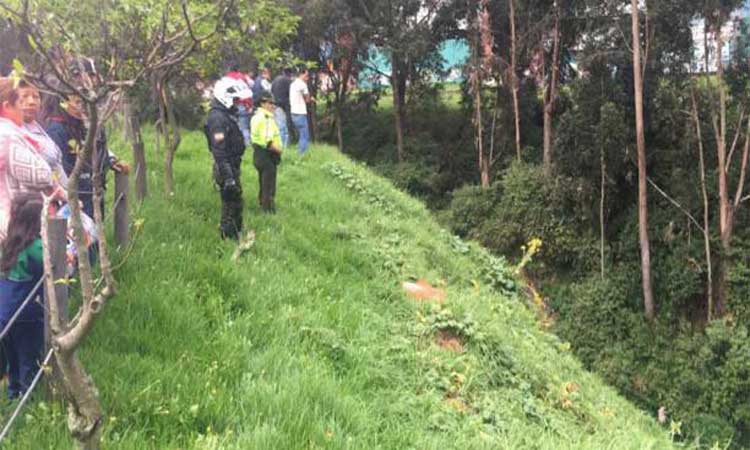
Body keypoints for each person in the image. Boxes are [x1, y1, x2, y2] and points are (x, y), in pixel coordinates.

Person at [0, 78, 61, 241]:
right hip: (15, 224)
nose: (25, 107)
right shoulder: (7, 137)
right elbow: (41, 175)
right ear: (7, 107)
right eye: (20, 102)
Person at [0, 193, 45, 399]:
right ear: (35, 220)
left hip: (4, 314)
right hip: (26, 314)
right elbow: (53, 271)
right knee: (29, 360)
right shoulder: (36, 247)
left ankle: (12, 396)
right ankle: (29, 404)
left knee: (13, 362)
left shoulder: (7, 244)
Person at [204, 76, 251, 239]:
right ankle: (228, 237)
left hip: (232, 164)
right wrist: (229, 177)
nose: (237, 103)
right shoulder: (217, 118)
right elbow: (219, 151)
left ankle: (235, 234)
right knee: (231, 204)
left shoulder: (224, 114)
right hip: (226, 166)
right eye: (235, 99)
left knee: (236, 202)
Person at [18, 82, 68, 188]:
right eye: (25, 96)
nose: (31, 102)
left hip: (61, 198)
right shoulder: (11, 134)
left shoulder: (39, 127)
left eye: (36, 97)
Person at [251, 92, 282, 213]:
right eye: (269, 103)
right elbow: (268, 142)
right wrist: (279, 150)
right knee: (269, 184)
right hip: (267, 154)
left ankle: (262, 202)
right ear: (262, 103)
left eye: (273, 103)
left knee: (263, 181)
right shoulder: (267, 118)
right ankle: (268, 210)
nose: (272, 105)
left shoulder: (255, 116)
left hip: (257, 153)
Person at [289, 67, 315, 156]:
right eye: (306, 76)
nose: (307, 78)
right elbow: (307, 99)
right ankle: (301, 155)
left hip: (293, 112)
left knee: (301, 134)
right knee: (305, 135)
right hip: (300, 113)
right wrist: (311, 98)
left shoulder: (293, 84)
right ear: (302, 74)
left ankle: (299, 152)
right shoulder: (303, 84)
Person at [225, 69, 254, 145]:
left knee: (231, 127)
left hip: (231, 105)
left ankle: (233, 144)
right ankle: (247, 145)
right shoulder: (242, 77)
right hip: (243, 105)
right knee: (244, 127)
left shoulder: (227, 78)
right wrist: (249, 105)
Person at [271, 67, 293, 148]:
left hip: (275, 105)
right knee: (284, 127)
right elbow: (291, 93)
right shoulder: (288, 81)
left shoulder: (275, 79)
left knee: (278, 125)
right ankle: (284, 146)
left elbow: (272, 90)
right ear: (290, 74)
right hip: (284, 106)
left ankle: (278, 143)